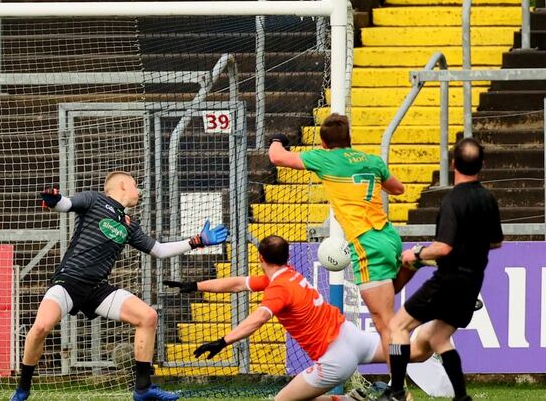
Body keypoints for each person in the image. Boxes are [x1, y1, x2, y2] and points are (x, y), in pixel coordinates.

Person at [9, 171, 229, 401]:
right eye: (136, 186)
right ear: (123, 185)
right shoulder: (95, 200)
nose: (139, 192)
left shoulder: (130, 225)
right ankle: (22, 390)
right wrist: (54, 200)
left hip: (97, 288)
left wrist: (196, 241)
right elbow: (65, 204)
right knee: (42, 327)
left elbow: (160, 251)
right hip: (69, 281)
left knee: (148, 317)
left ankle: (143, 389)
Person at [169, 235, 385, 401]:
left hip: (335, 359)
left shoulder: (279, 288)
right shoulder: (288, 275)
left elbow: (258, 318)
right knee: (408, 351)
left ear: (260, 257)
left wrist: (224, 341)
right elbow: (237, 284)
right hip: (349, 335)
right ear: (287, 257)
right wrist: (196, 286)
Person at [268, 113, 409, 366]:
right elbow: (398, 189)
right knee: (387, 298)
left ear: (323, 142)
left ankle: (399, 391)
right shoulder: (372, 160)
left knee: (385, 322)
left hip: (366, 243)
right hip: (389, 237)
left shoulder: (324, 158)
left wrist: (278, 139)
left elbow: (276, 156)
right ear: (349, 138)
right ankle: (412, 262)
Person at [378, 138, 503, 401]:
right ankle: (461, 397)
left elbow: (443, 247)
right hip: (472, 283)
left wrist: (417, 254)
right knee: (439, 337)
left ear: (453, 164)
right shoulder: (488, 199)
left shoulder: (452, 200)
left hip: (447, 280)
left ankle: (397, 391)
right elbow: (496, 241)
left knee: (398, 325)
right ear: (483, 164)